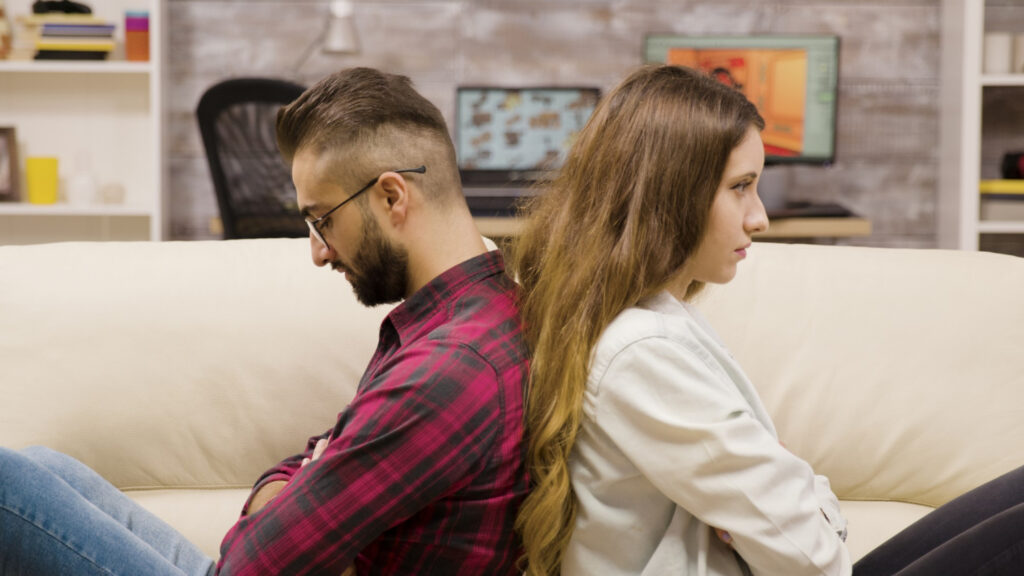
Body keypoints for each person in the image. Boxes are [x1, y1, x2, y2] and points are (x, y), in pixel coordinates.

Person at [0, 67, 530, 575]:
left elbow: (251, 565)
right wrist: (294, 487)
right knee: (47, 467)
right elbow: (313, 457)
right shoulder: (459, 320)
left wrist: (292, 492)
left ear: (392, 196)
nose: (318, 253)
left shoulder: (446, 370)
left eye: (322, 219)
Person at [509, 64, 1024, 576]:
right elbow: (813, 558)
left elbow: (790, 506)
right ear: (670, 195)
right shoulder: (641, 352)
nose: (759, 218)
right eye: (740, 186)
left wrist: (791, 486)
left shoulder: (656, 318)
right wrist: (797, 488)